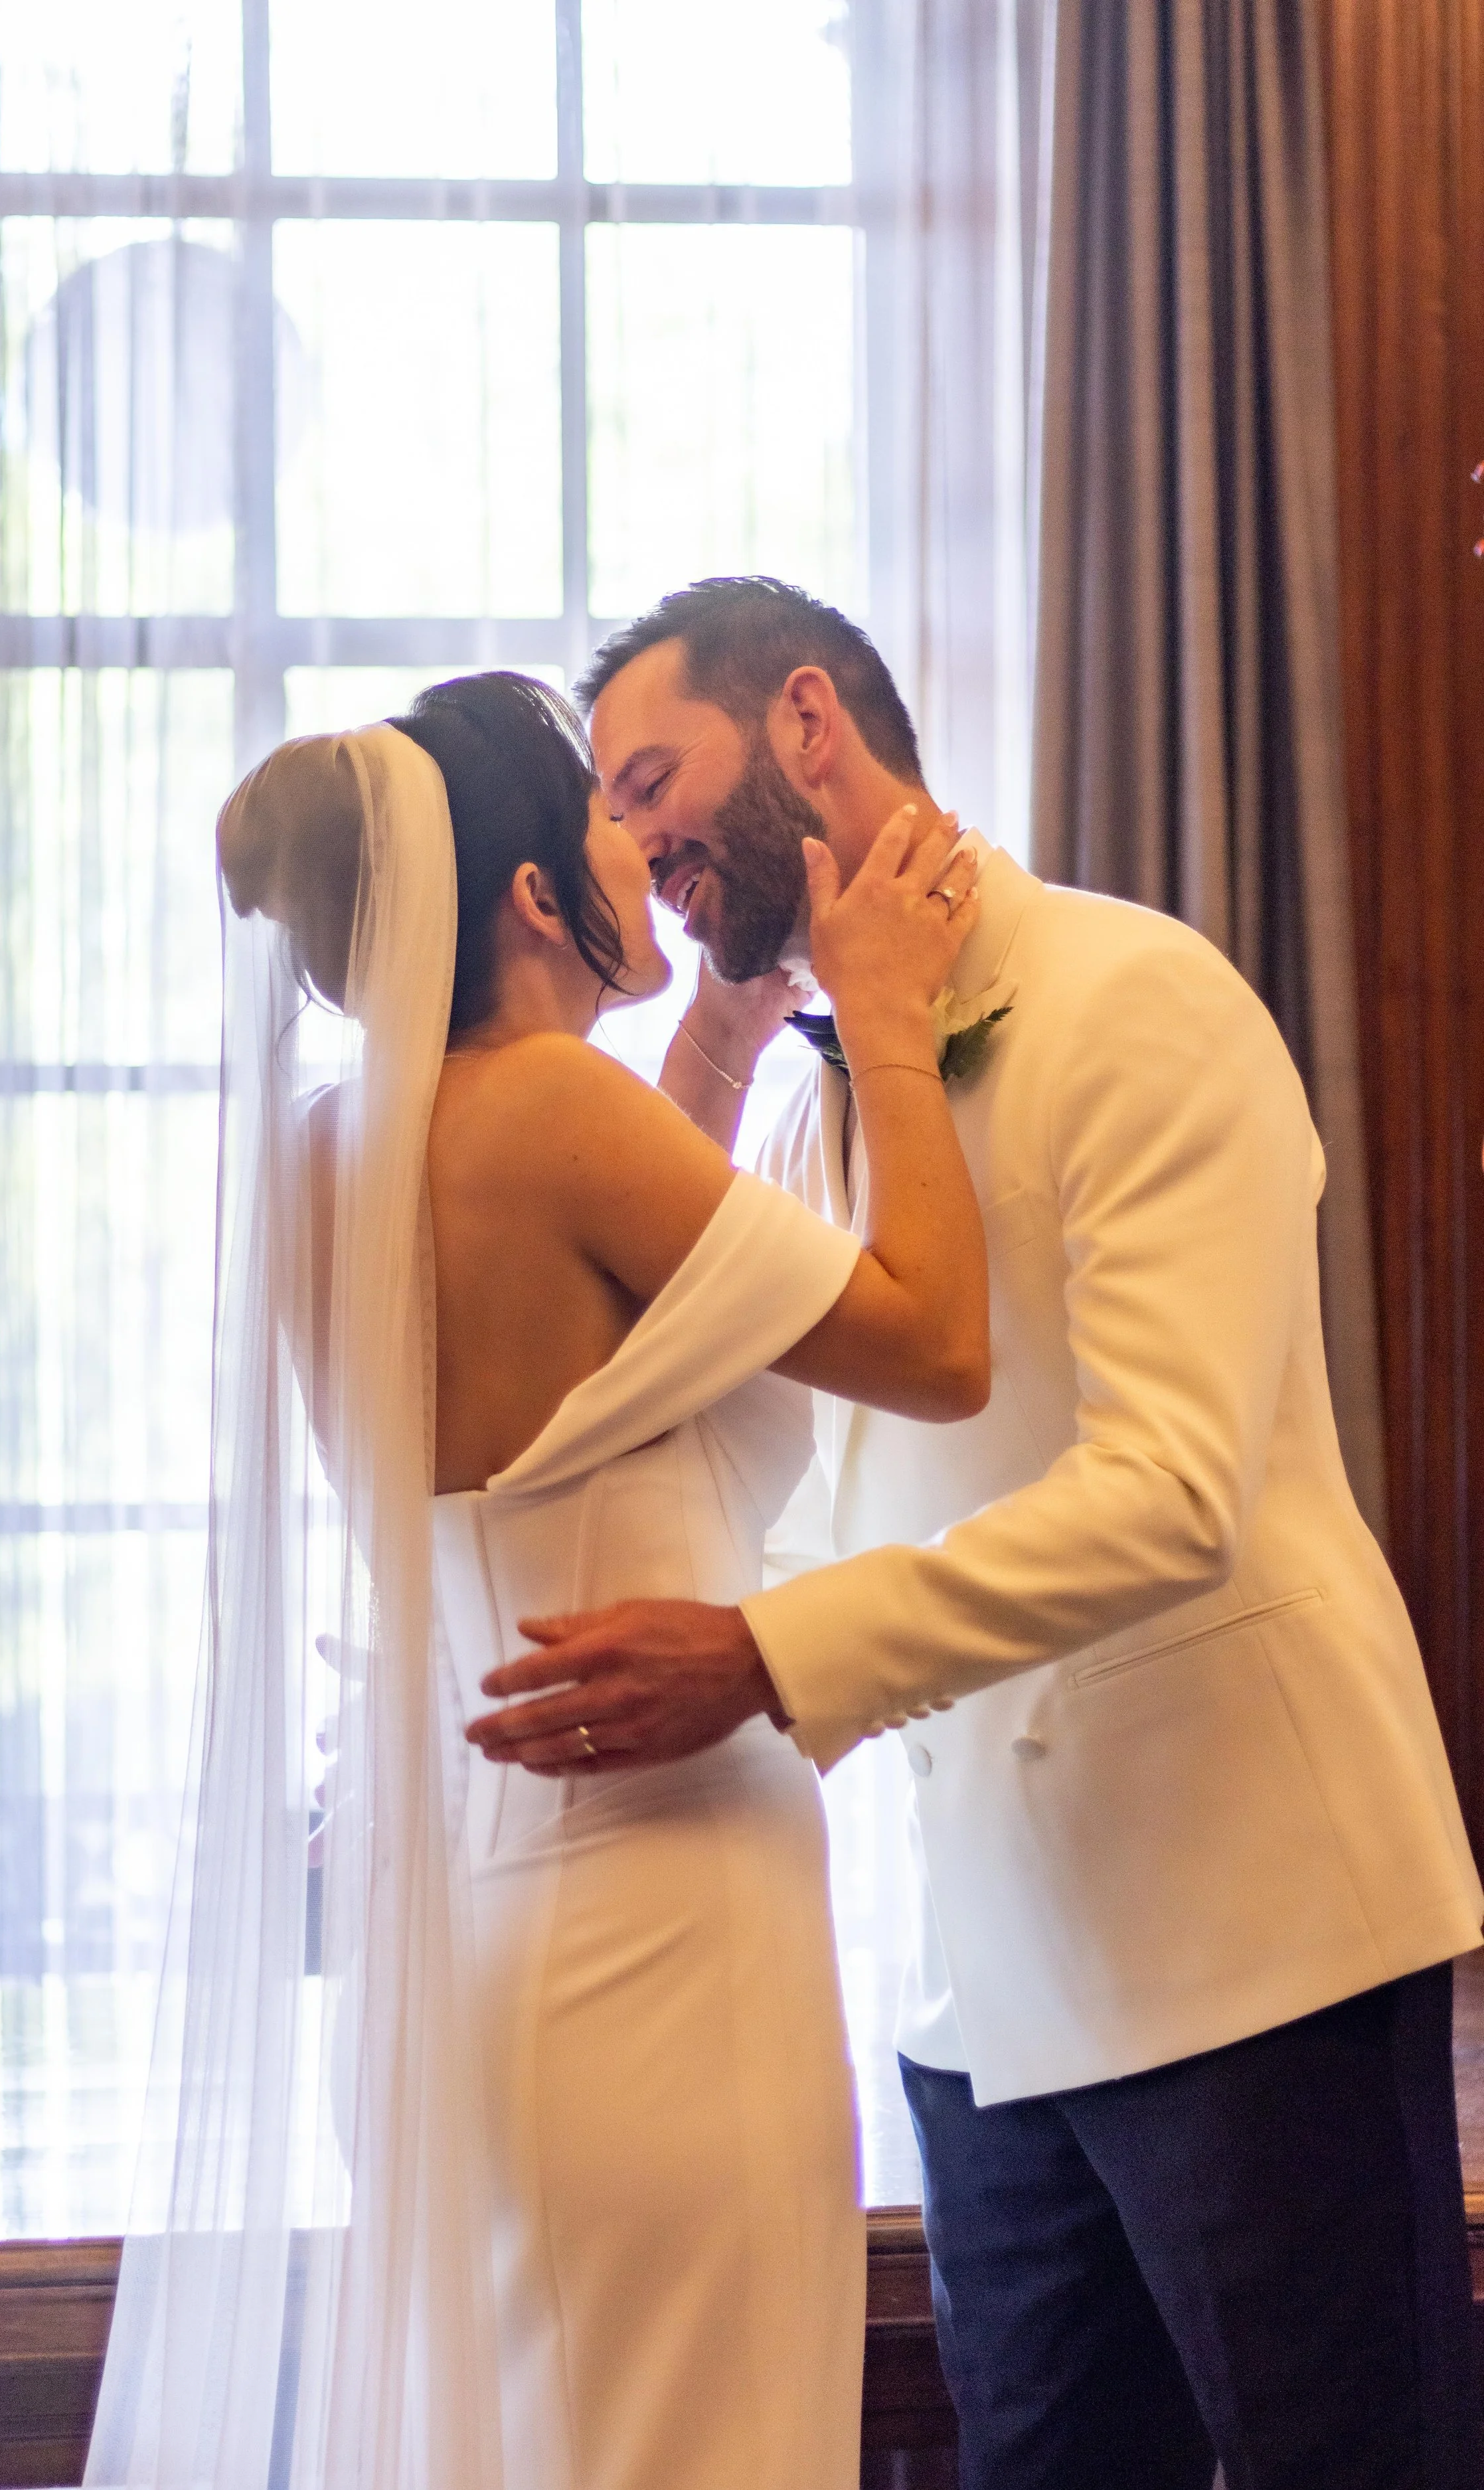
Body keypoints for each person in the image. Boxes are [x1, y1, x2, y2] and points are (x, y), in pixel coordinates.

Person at [467, 580, 1484, 2490]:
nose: (640, 844)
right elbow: (730, 1442)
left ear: (802, 722)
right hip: (966, 1982)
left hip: (1241, 1929)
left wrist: (769, 1663)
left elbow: (1171, 1488)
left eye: (653, 779)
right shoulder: (800, 1105)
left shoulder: (1140, 995)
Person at [85, 669, 989, 2490]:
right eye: (602, 814)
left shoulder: (329, 1151)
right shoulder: (554, 1114)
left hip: (472, 1923)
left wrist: (724, 1042)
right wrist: (880, 1022)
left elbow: (617, 1309)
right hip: (658, 1908)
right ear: (518, 893)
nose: (642, 853)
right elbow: (938, 1340)